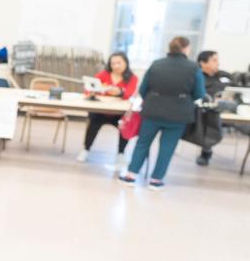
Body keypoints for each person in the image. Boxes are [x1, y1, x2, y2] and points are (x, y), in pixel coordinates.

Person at [119, 37, 206, 189]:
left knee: (142, 143)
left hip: (152, 111)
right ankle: (156, 180)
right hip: (178, 114)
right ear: (186, 48)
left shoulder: (156, 64)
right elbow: (199, 93)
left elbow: (143, 89)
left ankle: (131, 175)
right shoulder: (193, 68)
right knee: (167, 147)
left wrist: (154, 100)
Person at [77, 51, 139, 164]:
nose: (115, 66)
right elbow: (90, 87)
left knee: (125, 126)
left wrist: (119, 92)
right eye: (113, 63)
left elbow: (128, 94)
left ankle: (121, 153)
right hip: (101, 110)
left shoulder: (132, 78)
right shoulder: (104, 74)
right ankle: (86, 149)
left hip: (119, 113)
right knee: (93, 123)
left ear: (126, 63)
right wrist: (91, 92)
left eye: (118, 63)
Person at [194, 50, 233, 166]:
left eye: (217, 60)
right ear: (203, 63)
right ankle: (206, 153)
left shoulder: (223, 75)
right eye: (214, 60)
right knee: (211, 118)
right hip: (208, 112)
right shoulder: (197, 77)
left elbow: (235, 88)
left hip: (230, 110)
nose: (218, 63)